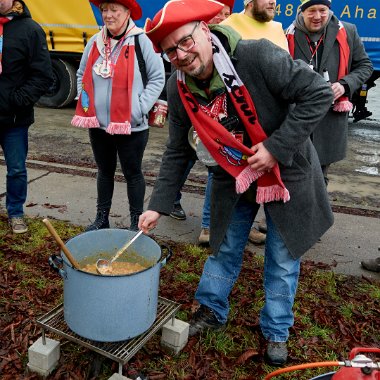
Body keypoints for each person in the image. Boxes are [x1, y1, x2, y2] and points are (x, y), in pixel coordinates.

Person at [141, 0, 334, 366]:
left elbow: (318, 93)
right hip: (233, 174)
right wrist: (156, 206)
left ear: (204, 30)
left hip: (286, 169)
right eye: (170, 51)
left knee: (281, 256)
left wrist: (275, 148)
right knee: (224, 244)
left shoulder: (257, 57)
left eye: (185, 41)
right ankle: (212, 309)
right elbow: (177, 152)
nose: (181, 55)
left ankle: (276, 329)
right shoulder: (178, 87)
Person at [72, 0, 165, 231]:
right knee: (104, 172)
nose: (108, 15)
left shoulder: (142, 40)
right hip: (99, 125)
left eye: (114, 10)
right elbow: (82, 73)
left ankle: (136, 222)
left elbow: (157, 78)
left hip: (132, 126)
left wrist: (138, 109)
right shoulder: (95, 42)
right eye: (104, 10)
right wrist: (87, 103)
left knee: (133, 174)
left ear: (127, 12)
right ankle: (101, 219)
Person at [221, 0, 289, 245]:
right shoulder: (229, 26)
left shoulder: (279, 28)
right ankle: (214, 225)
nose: (273, 1)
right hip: (240, 135)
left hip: (276, 136)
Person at [285, 0, 373, 186]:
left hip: (330, 117)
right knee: (295, 174)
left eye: (322, 10)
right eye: (311, 11)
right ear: (302, 12)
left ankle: (318, 213)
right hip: (298, 116)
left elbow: (365, 66)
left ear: (329, 10)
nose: (317, 16)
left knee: (320, 177)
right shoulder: (287, 34)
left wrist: (344, 84)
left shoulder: (348, 31)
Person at [170, 0, 235, 230]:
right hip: (200, 130)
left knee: (215, 170)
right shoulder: (179, 73)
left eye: (225, 14)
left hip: (228, 131)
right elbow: (176, 151)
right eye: (217, 14)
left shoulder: (246, 54)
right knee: (191, 161)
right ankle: (207, 223)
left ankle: (214, 225)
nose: (221, 18)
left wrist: (274, 147)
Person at [0, 0, 53, 234]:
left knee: (17, 169)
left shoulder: (30, 29)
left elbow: (43, 75)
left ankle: (15, 212)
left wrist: (18, 100)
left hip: (14, 119)